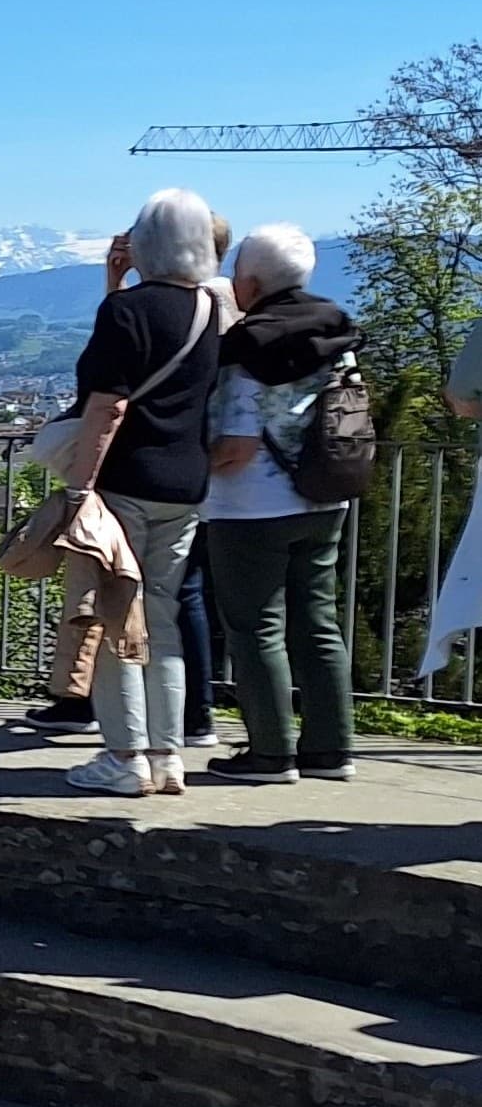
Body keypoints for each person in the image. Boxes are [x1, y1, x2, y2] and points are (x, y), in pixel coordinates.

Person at [38, 214, 240, 744]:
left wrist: (80, 489)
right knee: (164, 621)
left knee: (114, 621)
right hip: (186, 484)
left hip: (125, 483)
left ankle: (124, 757)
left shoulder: (125, 311)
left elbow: (107, 404)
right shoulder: (210, 307)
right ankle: (170, 751)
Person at [205, 225, 360, 783]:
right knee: (318, 622)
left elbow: (237, 446)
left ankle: (271, 752)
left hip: (251, 508)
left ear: (248, 281)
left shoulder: (249, 347)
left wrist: (197, 466)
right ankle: (332, 747)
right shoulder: (336, 334)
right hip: (325, 497)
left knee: (254, 627)